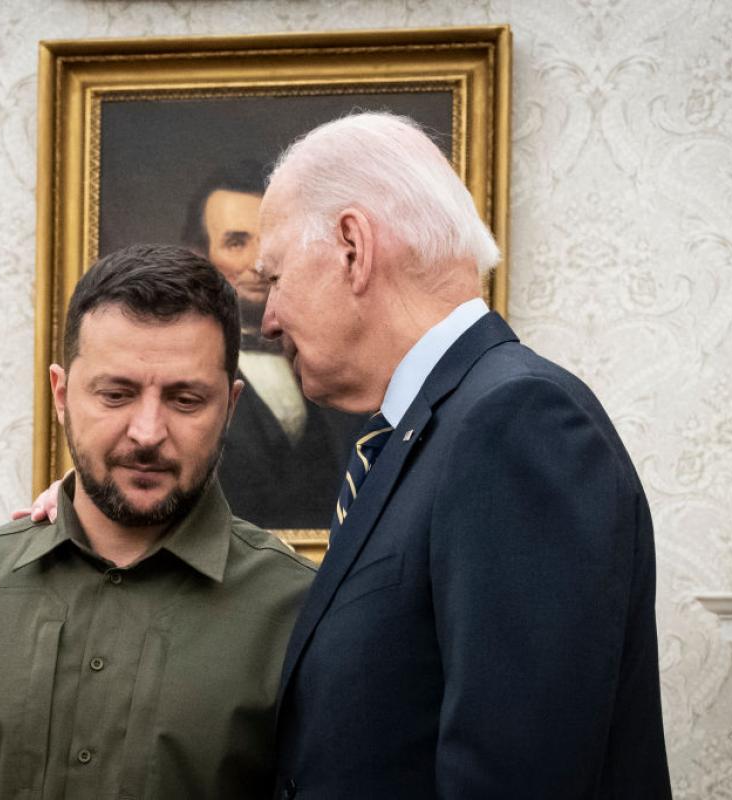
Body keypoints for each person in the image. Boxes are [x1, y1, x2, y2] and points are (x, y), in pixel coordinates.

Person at [254, 113, 671, 797]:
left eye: (274, 277)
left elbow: (518, 776)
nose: (268, 317)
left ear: (353, 247)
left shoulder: (517, 422)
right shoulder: (432, 430)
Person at [0, 245, 315, 799]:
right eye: (116, 394)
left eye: (185, 400)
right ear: (62, 394)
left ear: (231, 407)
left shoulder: (298, 615)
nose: (147, 432)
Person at [181, 161, 361, 529]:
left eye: (269, 242)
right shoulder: (177, 373)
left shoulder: (343, 362)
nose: (259, 263)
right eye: (236, 242)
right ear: (201, 257)